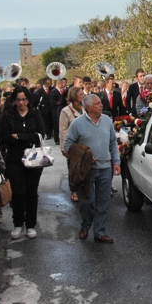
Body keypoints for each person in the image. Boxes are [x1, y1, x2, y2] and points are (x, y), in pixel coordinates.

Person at [64, 94, 121, 243]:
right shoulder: (77, 124)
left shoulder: (107, 121)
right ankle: (85, 225)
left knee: (103, 203)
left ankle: (99, 232)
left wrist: (116, 162)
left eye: (101, 103)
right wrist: (84, 154)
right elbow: (67, 146)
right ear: (88, 107)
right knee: (88, 202)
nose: (101, 105)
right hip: (87, 171)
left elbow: (113, 143)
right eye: (97, 104)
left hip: (105, 168)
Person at [0, 86, 46, 240]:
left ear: (28, 99)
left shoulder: (35, 114)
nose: (21, 103)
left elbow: (40, 135)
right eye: (18, 99)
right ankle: (18, 223)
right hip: (14, 158)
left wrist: (19, 136)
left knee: (32, 192)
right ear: (14, 100)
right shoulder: (8, 116)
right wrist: (26, 137)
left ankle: (31, 225)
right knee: (18, 192)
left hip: (33, 158)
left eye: (24, 99)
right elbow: (4, 137)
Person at [60, 87, 85, 203]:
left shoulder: (84, 108)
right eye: (80, 94)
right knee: (73, 168)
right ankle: (74, 190)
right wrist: (64, 148)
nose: (83, 95)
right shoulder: (66, 111)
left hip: (84, 144)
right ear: (74, 96)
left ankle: (84, 189)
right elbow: (63, 130)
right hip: (73, 145)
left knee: (84, 167)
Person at [49, 78, 65, 144]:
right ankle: (56, 139)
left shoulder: (63, 91)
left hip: (62, 111)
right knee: (56, 125)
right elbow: (52, 101)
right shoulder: (53, 92)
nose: (64, 84)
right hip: (55, 111)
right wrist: (58, 103)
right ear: (58, 83)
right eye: (62, 83)